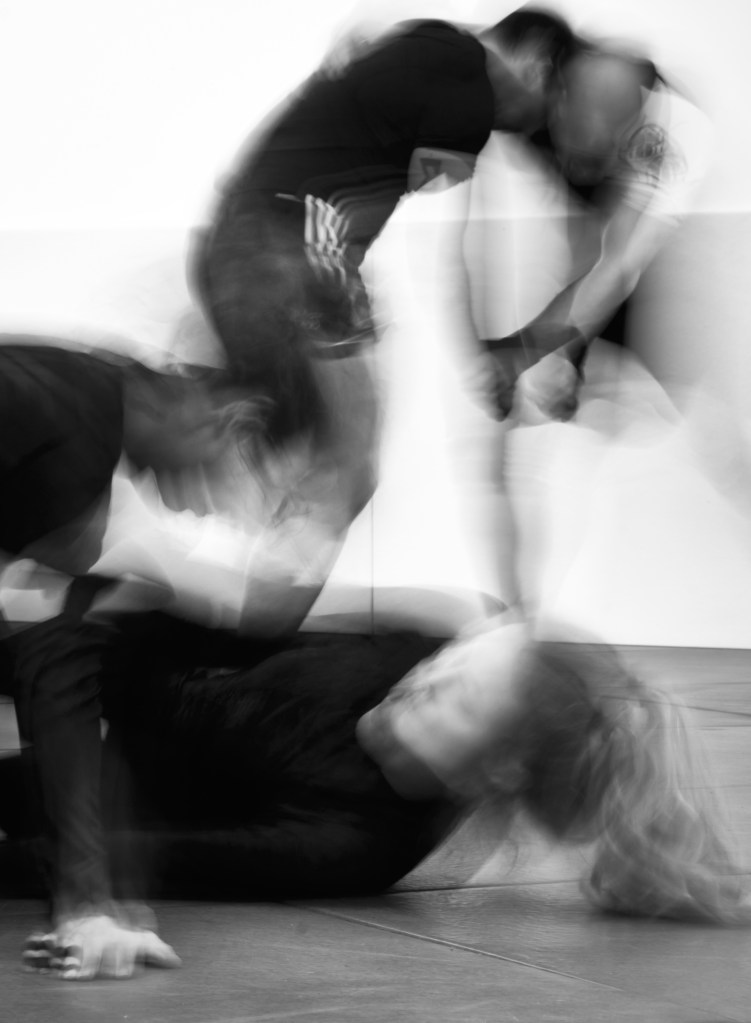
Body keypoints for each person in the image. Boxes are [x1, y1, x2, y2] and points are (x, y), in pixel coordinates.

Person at [3, 611, 746, 979]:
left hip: (116, 776)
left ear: (486, 775)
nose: (422, 676)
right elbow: (104, 642)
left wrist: (85, 892)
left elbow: (138, 851)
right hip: (104, 678)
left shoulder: (347, 843)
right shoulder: (398, 652)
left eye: (451, 696)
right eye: (449, 658)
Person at [189, 7, 580, 631]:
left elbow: (348, 70)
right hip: (294, 252)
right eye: (552, 98)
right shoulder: (470, 92)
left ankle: (226, 629)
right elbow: (453, 249)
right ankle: (242, 650)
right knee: (347, 471)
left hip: (227, 249)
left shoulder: (421, 47)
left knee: (298, 467)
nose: (540, 121)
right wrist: (481, 355)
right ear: (535, 61)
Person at [0, 337, 258, 980]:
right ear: (202, 407)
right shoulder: (67, 417)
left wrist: (87, 897)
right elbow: (53, 649)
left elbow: (51, 642)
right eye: (228, 447)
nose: (203, 501)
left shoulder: (75, 412)